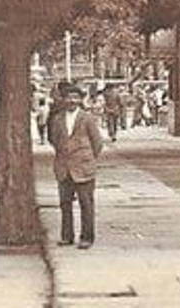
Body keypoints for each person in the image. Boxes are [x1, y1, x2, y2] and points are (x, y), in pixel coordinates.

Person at [48, 82, 105, 248]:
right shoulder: (58, 119)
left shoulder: (87, 119)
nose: (72, 101)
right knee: (65, 204)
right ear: (63, 99)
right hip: (64, 167)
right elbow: (54, 140)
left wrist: (87, 158)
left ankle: (87, 237)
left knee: (86, 204)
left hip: (83, 168)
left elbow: (97, 143)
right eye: (69, 97)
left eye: (75, 97)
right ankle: (67, 236)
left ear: (80, 100)